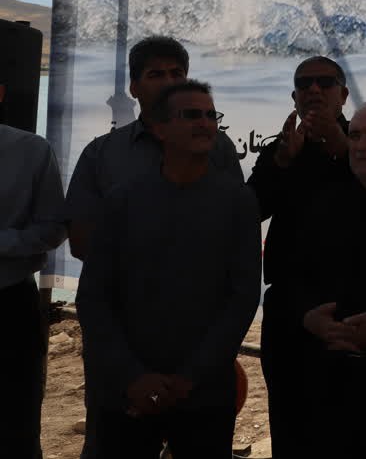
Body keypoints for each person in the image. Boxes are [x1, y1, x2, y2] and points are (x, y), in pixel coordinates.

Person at [64, 35, 243, 459]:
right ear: (134, 87)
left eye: (177, 73)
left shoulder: (218, 150)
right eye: (155, 74)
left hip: (199, 348)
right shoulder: (102, 154)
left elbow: (231, 247)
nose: (168, 81)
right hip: (123, 348)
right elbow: (82, 242)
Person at [280, 98, 366, 459]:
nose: (362, 145)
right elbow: (291, 274)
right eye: (354, 135)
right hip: (328, 380)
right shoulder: (322, 202)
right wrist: (310, 317)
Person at [247, 55, 360, 459]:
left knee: (350, 434)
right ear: (293, 97)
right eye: (304, 83)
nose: (314, 89)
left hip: (352, 312)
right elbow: (250, 210)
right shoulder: (282, 148)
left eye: (325, 83)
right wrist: (281, 162)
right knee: (291, 432)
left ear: (343, 94)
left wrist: (342, 147)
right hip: (289, 314)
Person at [0, 75, 67, 459]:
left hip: (8, 306)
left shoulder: (31, 150)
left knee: (15, 425)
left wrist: (3, 242)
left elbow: (54, 228)